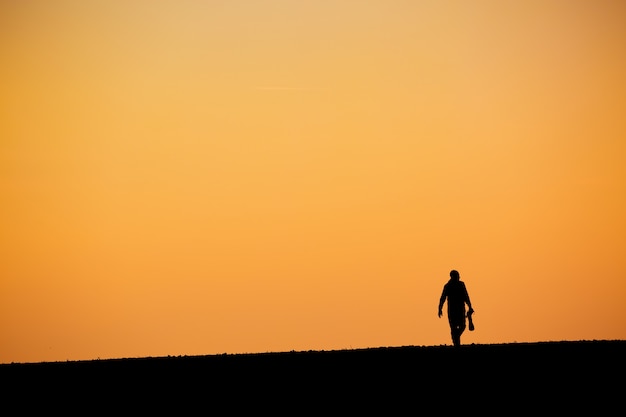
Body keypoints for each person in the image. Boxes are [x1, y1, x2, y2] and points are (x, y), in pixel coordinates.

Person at [438, 269, 474, 347]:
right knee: (453, 328)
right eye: (457, 276)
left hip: (461, 309)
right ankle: (456, 345)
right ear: (453, 277)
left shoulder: (461, 285)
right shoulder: (448, 286)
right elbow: (443, 298)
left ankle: (456, 339)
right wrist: (440, 308)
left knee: (463, 326)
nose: (459, 277)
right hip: (452, 311)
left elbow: (466, 296)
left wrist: (470, 306)